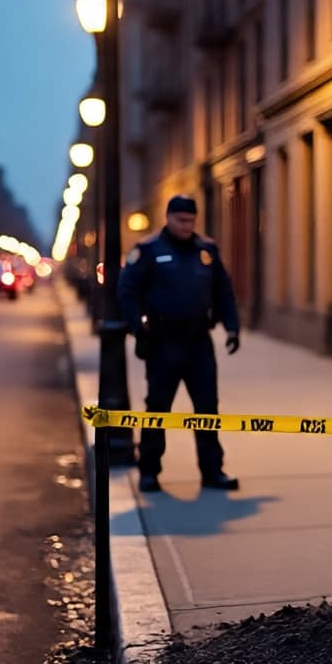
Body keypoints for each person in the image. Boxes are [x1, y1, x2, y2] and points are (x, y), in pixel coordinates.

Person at [117, 195, 241, 494]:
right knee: (158, 408)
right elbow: (127, 290)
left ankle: (213, 471)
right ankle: (149, 471)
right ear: (168, 218)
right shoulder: (148, 250)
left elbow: (223, 291)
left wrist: (232, 327)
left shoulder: (206, 250)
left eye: (191, 221)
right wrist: (138, 327)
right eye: (181, 220)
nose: (187, 226)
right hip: (163, 343)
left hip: (199, 341)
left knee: (207, 409)